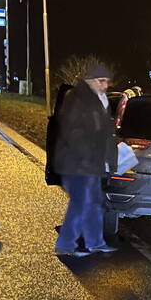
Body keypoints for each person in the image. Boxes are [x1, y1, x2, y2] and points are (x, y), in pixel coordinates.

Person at [51, 63, 118, 257]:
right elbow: (72, 131)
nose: (105, 85)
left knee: (95, 203)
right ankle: (65, 244)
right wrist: (86, 156)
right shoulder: (77, 97)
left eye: (107, 82)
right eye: (101, 81)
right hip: (77, 163)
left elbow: (106, 134)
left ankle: (95, 241)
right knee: (80, 203)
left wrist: (110, 161)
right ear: (90, 80)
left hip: (93, 163)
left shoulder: (101, 99)